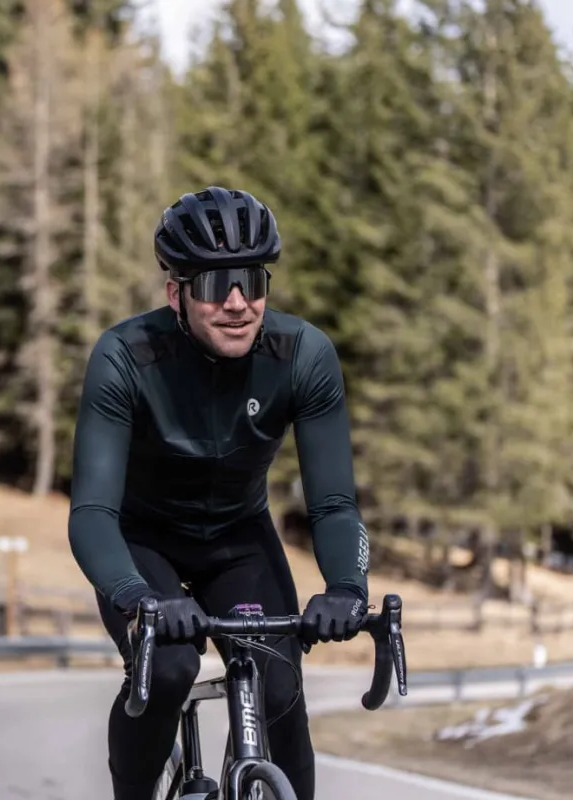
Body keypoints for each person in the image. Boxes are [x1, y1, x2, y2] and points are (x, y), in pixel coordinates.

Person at [67, 186, 370, 800]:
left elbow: (334, 504)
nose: (237, 303)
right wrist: (136, 597)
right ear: (174, 293)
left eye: (251, 282)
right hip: (141, 543)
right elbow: (93, 512)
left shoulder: (302, 355)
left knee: (280, 688)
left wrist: (346, 587)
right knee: (168, 668)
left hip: (238, 541)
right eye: (213, 285)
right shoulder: (125, 357)